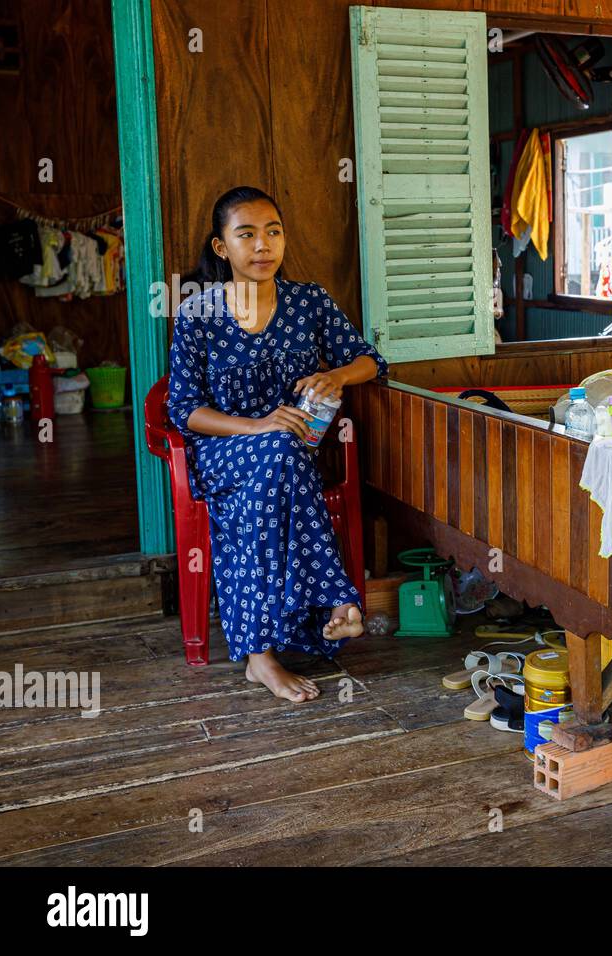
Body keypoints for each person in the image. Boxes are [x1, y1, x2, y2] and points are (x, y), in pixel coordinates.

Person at [168, 186, 388, 702]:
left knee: (281, 462)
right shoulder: (196, 313)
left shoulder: (308, 301)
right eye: (246, 234)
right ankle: (334, 602)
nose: (263, 245)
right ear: (222, 248)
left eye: (273, 231)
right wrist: (259, 426)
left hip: (290, 456)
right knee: (281, 453)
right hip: (226, 451)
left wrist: (335, 376)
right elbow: (185, 411)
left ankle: (259, 655)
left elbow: (371, 360)